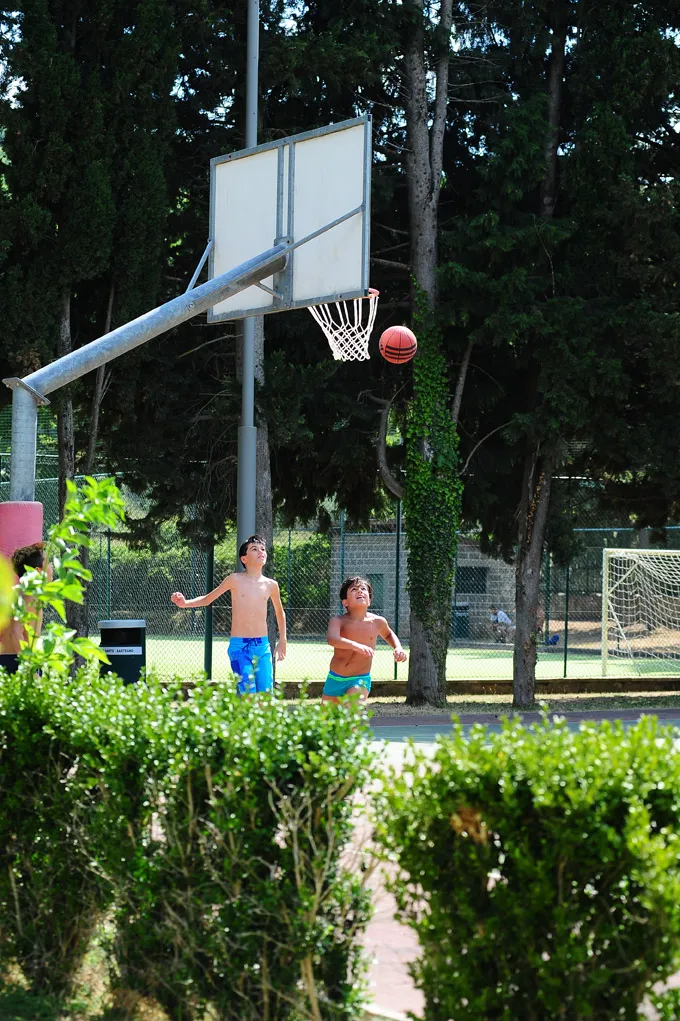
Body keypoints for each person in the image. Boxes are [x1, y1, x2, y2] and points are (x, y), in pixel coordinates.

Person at [170, 534, 286, 695]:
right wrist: (185, 603)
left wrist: (283, 640)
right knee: (248, 695)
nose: (261, 551)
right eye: (254, 549)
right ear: (244, 559)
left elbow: (280, 613)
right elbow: (208, 599)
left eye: (263, 549)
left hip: (262, 647)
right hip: (239, 647)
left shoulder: (271, 585)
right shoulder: (234, 579)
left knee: (265, 696)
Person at [322, 576, 406, 704]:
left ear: (369, 601)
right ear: (345, 602)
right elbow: (332, 639)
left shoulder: (378, 622)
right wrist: (355, 645)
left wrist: (398, 647)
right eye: (354, 589)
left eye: (363, 589)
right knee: (328, 722)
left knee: (351, 716)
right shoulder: (338, 621)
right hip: (335, 679)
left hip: (360, 680)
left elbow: (389, 634)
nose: (360, 591)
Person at [0, 542, 48, 675]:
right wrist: (29, 669)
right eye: (49, 563)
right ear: (38, 571)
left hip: (11, 660)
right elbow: (14, 632)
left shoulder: (20, 592)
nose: (52, 567)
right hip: (17, 663)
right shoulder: (30, 595)